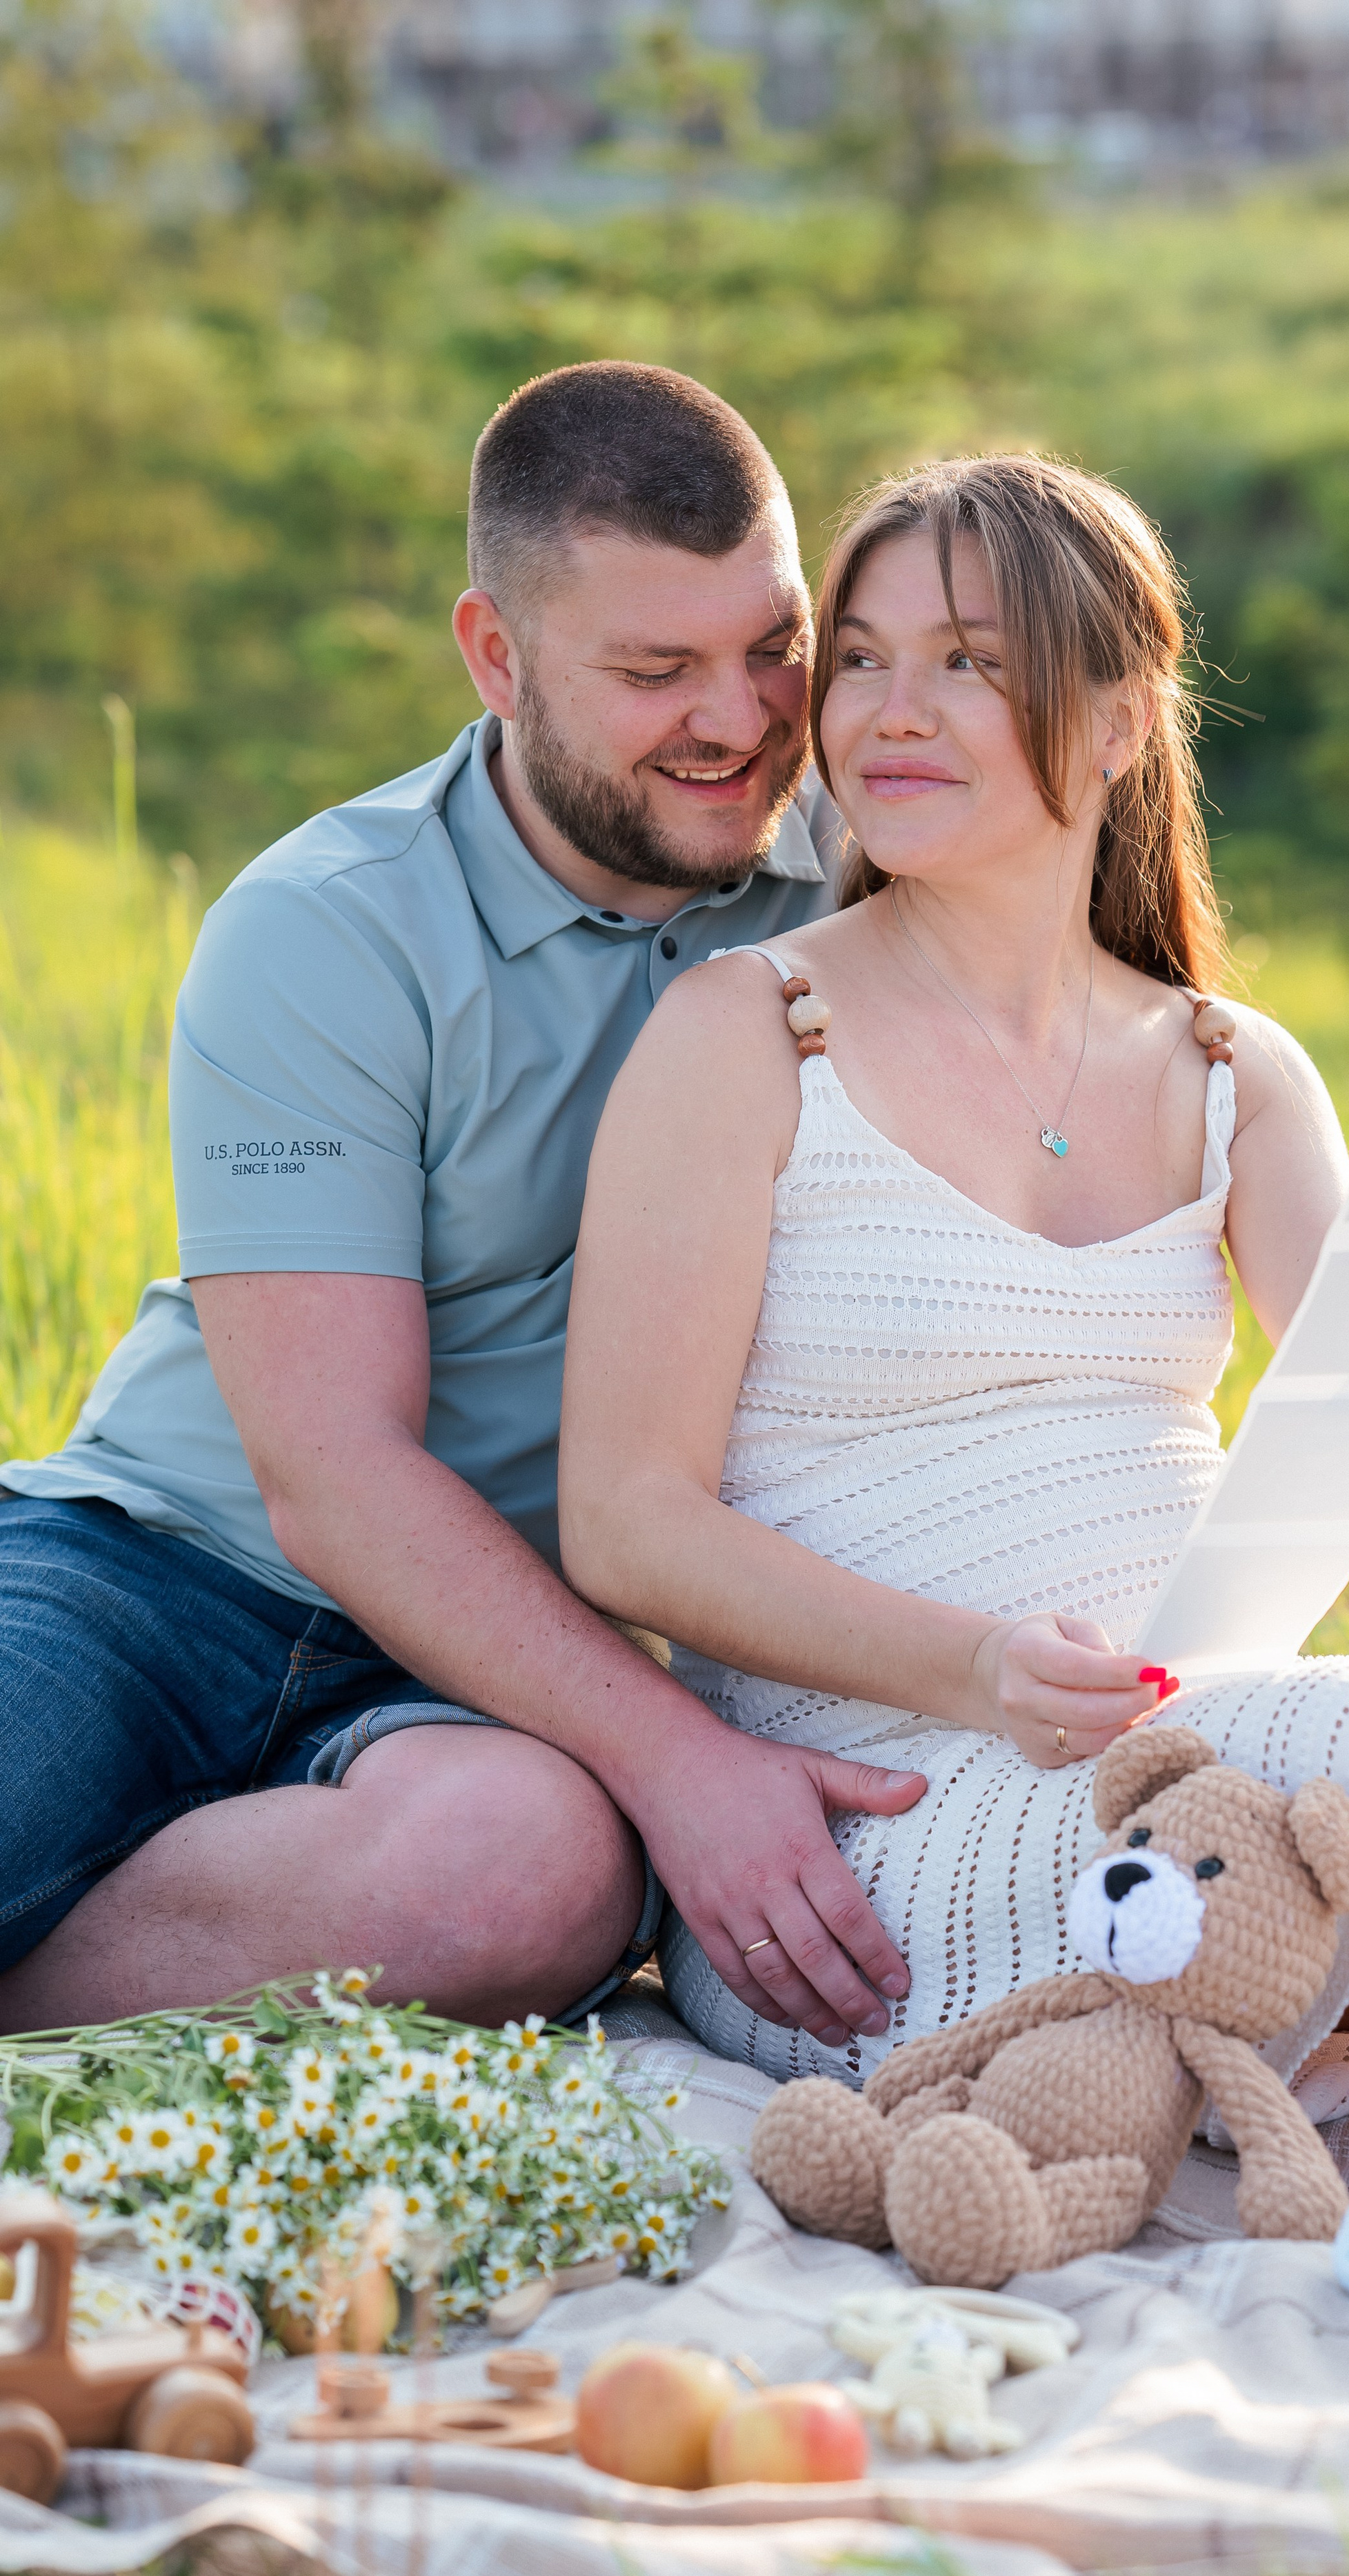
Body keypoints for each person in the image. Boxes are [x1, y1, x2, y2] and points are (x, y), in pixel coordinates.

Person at [559, 451, 1349, 2152]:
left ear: (1120, 720)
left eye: (969, 661)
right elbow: (622, 1520)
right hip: (886, 1836)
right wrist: (973, 1666)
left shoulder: (1220, 1065)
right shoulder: (744, 1036)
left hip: (1198, 1752)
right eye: (860, 656)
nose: (890, 711)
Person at [0, 361, 934, 2037]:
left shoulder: (863, 899)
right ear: (496, 657)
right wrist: (684, 1763)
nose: (739, 720)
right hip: (161, 1571)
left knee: (528, 1885)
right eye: (655, 670)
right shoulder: (330, 928)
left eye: (772, 645)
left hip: (487, 1665)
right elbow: (332, 1475)